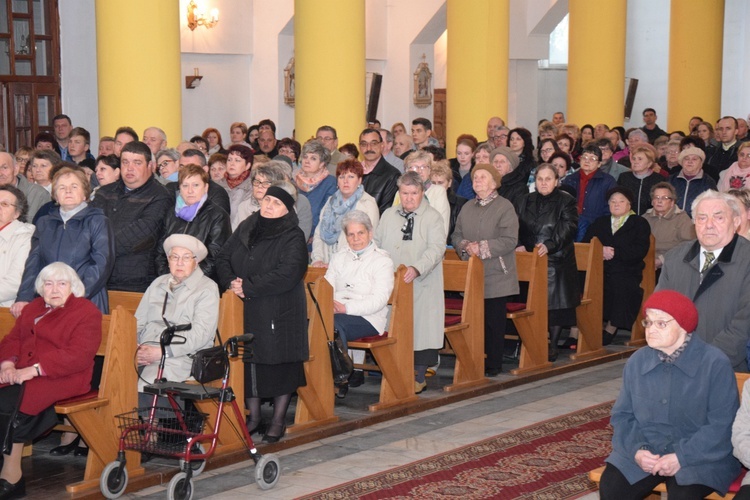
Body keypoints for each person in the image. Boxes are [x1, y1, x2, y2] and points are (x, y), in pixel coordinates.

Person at [599, 290, 740, 499]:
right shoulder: (637, 361)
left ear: (684, 326)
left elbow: (721, 425)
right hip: (648, 450)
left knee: (684, 494)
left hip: (700, 457)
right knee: (612, 488)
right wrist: (638, 451)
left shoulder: (714, 363)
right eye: (648, 323)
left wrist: (681, 457)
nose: (651, 330)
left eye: (661, 323)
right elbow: (623, 416)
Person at [0, 262, 102, 499]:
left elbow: (78, 355)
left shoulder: (86, 312)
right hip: (24, 371)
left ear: (73, 287)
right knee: (6, 394)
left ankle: (12, 477)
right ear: (40, 288)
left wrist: (35, 369)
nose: (54, 289)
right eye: (48, 283)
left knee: (18, 402)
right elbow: (13, 339)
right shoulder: (33, 307)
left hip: (66, 375)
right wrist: (7, 363)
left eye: (61, 283)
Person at [216, 183, 308, 443]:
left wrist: (249, 286)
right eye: (267, 200)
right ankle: (254, 416)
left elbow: (289, 272)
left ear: (287, 209)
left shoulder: (293, 234)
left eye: (276, 203)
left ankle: (278, 419)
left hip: (279, 309)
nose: (269, 206)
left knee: (279, 363)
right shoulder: (248, 224)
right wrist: (231, 282)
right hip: (244, 305)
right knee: (249, 360)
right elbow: (223, 256)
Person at [657, 190, 750, 372]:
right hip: (677, 361)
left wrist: (706, 360)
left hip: (728, 366)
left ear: (736, 222)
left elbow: (743, 323)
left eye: (719, 218)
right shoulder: (676, 257)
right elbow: (660, 311)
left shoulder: (746, 259)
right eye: (701, 218)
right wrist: (673, 351)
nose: (709, 225)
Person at [375, 172, 445, 393]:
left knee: (421, 328)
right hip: (392, 281)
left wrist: (417, 268)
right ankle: (395, 371)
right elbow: (376, 243)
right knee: (394, 326)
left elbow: (436, 249)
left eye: (414, 193)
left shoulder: (432, 217)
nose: (409, 198)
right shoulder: (388, 214)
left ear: (422, 193)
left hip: (422, 282)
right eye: (404, 193)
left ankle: (419, 375)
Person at [12, 166, 114, 316]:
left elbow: (102, 264)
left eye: (74, 186)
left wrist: (74, 296)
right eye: (62, 187)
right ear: (55, 196)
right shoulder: (44, 222)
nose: (68, 191)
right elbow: (34, 262)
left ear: (85, 193)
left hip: (86, 300)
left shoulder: (98, 221)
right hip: (48, 300)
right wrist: (24, 297)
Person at [452, 164, 518, 376]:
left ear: (493, 182)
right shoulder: (467, 207)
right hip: (473, 273)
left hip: (497, 274)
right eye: (475, 177)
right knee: (473, 319)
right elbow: (456, 235)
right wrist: (465, 246)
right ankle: (473, 359)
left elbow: (509, 240)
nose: (477, 180)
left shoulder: (504, 207)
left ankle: (493, 363)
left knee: (492, 322)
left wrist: (479, 247)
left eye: (482, 177)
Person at [324, 210, 394, 398]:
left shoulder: (382, 261)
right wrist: (328, 302)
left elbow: (379, 300)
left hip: (368, 318)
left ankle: (339, 378)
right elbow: (327, 287)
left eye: (360, 233)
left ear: (370, 233)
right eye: (351, 234)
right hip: (336, 312)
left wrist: (347, 308)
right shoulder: (338, 257)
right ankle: (327, 376)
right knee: (316, 324)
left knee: (333, 326)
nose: (356, 239)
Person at [135, 235, 219, 391]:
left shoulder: (207, 288)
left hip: (181, 355)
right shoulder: (157, 283)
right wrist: (133, 347)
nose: (179, 263)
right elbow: (137, 322)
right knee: (114, 378)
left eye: (186, 258)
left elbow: (201, 334)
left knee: (148, 386)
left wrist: (163, 352)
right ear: (168, 260)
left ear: (196, 261)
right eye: (175, 257)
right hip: (144, 352)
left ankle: (154, 417)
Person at [516, 164, 579, 361]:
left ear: (557, 181)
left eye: (548, 179)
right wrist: (519, 244)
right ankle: (530, 340)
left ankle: (552, 344)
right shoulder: (526, 199)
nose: (543, 182)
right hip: (529, 258)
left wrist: (549, 245)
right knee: (530, 302)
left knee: (555, 306)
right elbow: (516, 224)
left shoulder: (566, 201)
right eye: (540, 179)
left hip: (556, 259)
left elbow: (568, 227)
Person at [91, 141, 172, 293]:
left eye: (137, 163)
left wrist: (98, 247)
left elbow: (141, 234)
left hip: (136, 281)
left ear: (150, 166)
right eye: (125, 162)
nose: (130, 168)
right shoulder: (104, 192)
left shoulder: (160, 196)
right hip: (99, 277)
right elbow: (90, 226)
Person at [584, 187, 651, 345]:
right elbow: (586, 242)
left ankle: (611, 327)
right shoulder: (600, 222)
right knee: (581, 280)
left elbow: (640, 249)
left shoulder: (639, 223)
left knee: (621, 284)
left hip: (627, 268)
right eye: (612, 201)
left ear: (629, 205)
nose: (616, 204)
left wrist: (615, 252)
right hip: (600, 268)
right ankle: (581, 327)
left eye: (621, 201)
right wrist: (600, 251)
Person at [154, 164, 230, 282]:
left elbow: (215, 258)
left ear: (205, 188)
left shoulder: (217, 215)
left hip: (202, 284)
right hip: (169, 281)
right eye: (185, 186)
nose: (190, 191)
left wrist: (187, 281)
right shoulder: (171, 213)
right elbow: (160, 253)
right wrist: (168, 277)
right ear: (179, 188)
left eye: (195, 185)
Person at [311, 159, 379, 266]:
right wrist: (317, 259)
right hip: (324, 265)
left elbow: (367, 240)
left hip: (352, 266)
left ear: (360, 180)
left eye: (351, 177)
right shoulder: (330, 201)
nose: (345, 181)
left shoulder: (367, 203)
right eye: (342, 177)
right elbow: (319, 233)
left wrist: (338, 264)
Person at [562, 144, 617, 241]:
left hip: (596, 226)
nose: (587, 161)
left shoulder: (608, 181)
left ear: (599, 164)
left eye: (592, 158)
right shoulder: (570, 179)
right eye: (585, 157)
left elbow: (609, 208)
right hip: (570, 225)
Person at [643, 182, 695, 271]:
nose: (659, 201)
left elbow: (688, 245)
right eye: (656, 197)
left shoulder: (682, 218)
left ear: (672, 202)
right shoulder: (645, 218)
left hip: (672, 265)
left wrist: (662, 260)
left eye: (664, 198)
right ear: (652, 201)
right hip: (645, 263)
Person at [295, 139, 338, 241]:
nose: (307, 161)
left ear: (322, 163)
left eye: (313, 158)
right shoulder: (294, 180)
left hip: (316, 238)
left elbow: (328, 213)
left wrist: (313, 234)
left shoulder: (330, 182)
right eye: (305, 157)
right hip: (293, 235)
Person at [0, 186, 34, 307]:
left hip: (7, 308)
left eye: (4, 204)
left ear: (17, 213)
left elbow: (15, 282)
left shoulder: (26, 236)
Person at [359, 128, 401, 215]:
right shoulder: (353, 172)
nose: (369, 148)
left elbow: (386, 213)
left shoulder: (392, 175)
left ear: (382, 145)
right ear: (359, 147)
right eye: (364, 144)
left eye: (374, 143)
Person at [669, 146, 716, 218]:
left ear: (701, 164)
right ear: (681, 162)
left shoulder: (708, 182)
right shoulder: (671, 180)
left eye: (694, 159)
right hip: (672, 220)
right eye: (686, 159)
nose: (690, 161)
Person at [617, 145, 663, 215]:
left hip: (651, 219)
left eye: (640, 159)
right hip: (627, 218)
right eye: (634, 159)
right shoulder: (624, 177)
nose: (636, 162)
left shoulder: (658, 179)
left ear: (649, 163)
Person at [215, 144, 254, 217]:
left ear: (247, 166)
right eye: (229, 160)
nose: (232, 163)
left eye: (237, 160)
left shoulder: (252, 186)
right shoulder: (217, 185)